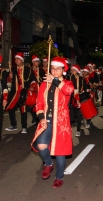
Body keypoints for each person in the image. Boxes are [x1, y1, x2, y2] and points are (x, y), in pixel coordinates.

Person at [31, 57, 74, 188]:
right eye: (53, 69)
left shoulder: (67, 83)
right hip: (47, 120)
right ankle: (48, 164)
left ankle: (59, 177)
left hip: (61, 123)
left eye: (58, 69)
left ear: (63, 71)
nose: (54, 71)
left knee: (60, 153)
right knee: (41, 145)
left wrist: (55, 81)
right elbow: (38, 103)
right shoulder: (44, 84)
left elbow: (68, 91)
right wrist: (41, 118)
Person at [5, 52, 37, 134]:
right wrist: (10, 77)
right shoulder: (13, 69)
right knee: (11, 108)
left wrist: (32, 87)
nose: (16, 60)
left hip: (24, 92)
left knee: (23, 110)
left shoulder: (28, 69)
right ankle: (13, 125)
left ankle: (24, 127)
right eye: (15, 59)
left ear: (22, 60)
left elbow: (33, 80)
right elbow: (8, 81)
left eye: (18, 59)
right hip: (15, 93)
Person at [69, 64, 89, 136]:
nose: (72, 71)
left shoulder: (81, 79)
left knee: (79, 115)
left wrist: (87, 94)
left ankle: (78, 130)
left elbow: (86, 88)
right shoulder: (69, 78)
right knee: (71, 115)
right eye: (71, 70)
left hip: (79, 98)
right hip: (71, 99)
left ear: (77, 71)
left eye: (73, 70)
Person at [31, 55, 46, 124]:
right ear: (33, 62)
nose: (37, 63)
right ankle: (34, 117)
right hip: (32, 89)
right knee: (32, 104)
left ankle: (38, 119)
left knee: (39, 104)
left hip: (40, 89)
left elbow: (43, 80)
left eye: (38, 61)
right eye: (36, 61)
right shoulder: (29, 70)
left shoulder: (41, 70)